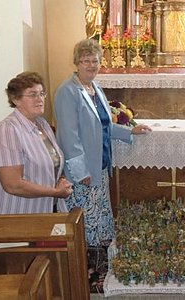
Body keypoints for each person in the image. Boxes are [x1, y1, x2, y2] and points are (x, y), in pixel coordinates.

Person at [54, 39, 151, 247]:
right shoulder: (67, 91)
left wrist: (130, 130)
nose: (91, 65)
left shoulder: (94, 87)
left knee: (98, 214)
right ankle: (83, 261)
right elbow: (69, 137)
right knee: (85, 218)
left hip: (100, 163)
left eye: (95, 61)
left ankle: (96, 256)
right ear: (77, 63)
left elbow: (103, 126)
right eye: (86, 61)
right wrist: (81, 171)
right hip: (84, 170)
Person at [0, 72, 73, 214]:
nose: (40, 99)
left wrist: (61, 181)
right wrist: (55, 192)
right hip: (15, 215)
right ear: (15, 100)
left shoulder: (42, 124)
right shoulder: (8, 130)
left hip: (44, 210)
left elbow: (52, 163)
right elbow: (13, 185)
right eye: (32, 95)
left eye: (41, 93)